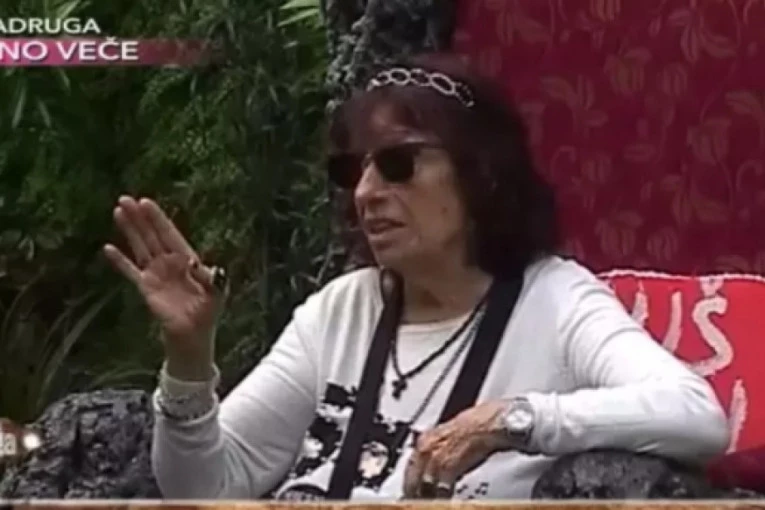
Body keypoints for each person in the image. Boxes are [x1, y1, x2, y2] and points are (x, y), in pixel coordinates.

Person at [103, 52, 730, 501]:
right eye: (352, 172)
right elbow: (206, 488)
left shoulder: (555, 301)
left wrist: (509, 421)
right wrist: (189, 359)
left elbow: (695, 414)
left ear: (482, 174)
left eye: (398, 164)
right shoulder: (339, 310)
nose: (366, 193)